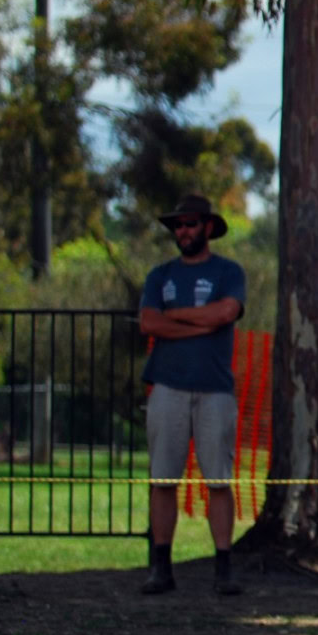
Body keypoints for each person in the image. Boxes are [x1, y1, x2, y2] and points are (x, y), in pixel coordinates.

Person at [136, 194, 247, 596]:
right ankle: (161, 567)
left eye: (190, 223)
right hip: (167, 385)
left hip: (215, 388)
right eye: (177, 225)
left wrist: (175, 315)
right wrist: (197, 323)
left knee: (219, 479)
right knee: (163, 479)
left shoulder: (228, 271)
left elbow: (225, 313)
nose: (183, 231)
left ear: (207, 227)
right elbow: (148, 322)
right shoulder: (159, 275)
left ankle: (223, 568)